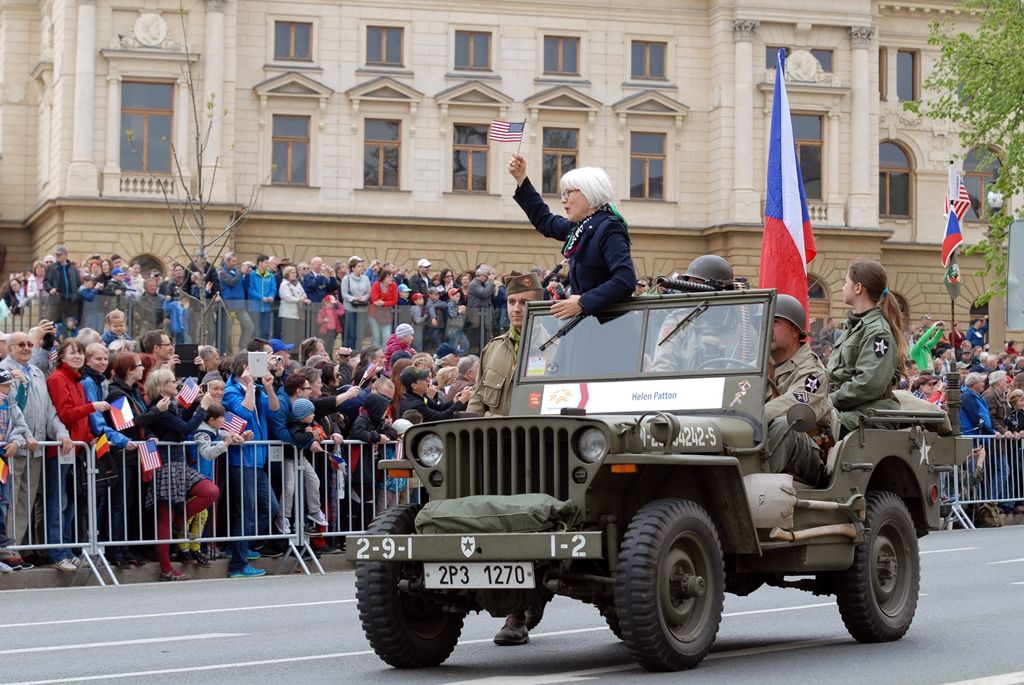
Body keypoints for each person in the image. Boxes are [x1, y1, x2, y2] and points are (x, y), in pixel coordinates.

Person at [507, 154, 636, 320]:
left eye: (568, 193)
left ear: (589, 192)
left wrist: (583, 302)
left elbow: (625, 280)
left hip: (611, 328)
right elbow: (544, 220)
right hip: (587, 325)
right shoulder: (580, 227)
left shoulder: (609, 228)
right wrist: (521, 179)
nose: (563, 200)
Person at [143, 368, 218, 581]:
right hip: (165, 464)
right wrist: (202, 408)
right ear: (161, 386)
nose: (176, 384)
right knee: (164, 518)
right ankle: (166, 568)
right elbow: (186, 429)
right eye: (171, 381)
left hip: (179, 462)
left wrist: (194, 404)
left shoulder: (171, 405)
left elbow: (181, 423)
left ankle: (179, 522)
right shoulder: (159, 408)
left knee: (210, 491)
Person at [46, 338, 108, 571]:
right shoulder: (58, 379)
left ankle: (67, 549)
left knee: (70, 502)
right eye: (72, 352)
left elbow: (80, 420)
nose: (77, 356)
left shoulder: (77, 380)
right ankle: (57, 552)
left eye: (80, 353)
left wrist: (90, 437)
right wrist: (92, 407)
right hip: (61, 450)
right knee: (58, 502)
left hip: (78, 450)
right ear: (62, 356)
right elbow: (66, 414)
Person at [827, 260, 907, 435]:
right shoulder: (856, 327)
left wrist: (826, 401)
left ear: (858, 288)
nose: (842, 287)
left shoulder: (878, 331)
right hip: (848, 411)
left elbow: (869, 384)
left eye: (846, 282)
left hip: (867, 416)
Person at [762, 294, 834, 485]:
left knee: (784, 425)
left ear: (795, 330)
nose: (767, 327)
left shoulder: (813, 371)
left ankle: (754, 485)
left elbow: (794, 403)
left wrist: (752, 417)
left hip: (810, 453)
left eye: (775, 322)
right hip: (766, 442)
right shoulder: (760, 364)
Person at [467, 273, 544, 418]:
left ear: (539, 305)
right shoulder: (492, 348)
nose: (516, 309)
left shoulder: (555, 349)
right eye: (511, 302)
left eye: (524, 302)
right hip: (494, 431)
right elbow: (477, 401)